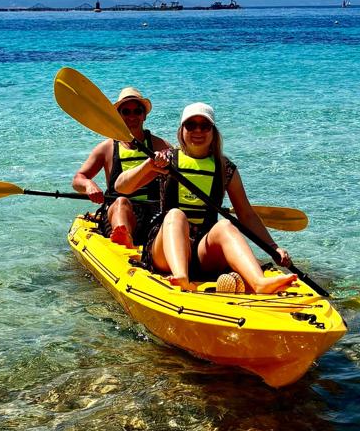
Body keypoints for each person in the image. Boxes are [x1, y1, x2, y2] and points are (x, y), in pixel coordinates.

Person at [116, 102, 298, 294]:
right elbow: (121, 187)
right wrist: (147, 166)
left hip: (203, 252)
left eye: (204, 126)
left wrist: (273, 247)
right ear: (182, 130)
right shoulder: (166, 160)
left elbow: (246, 214)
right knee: (176, 214)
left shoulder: (225, 168)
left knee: (225, 225)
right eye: (191, 125)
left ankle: (258, 282)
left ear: (213, 131)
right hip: (164, 251)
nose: (198, 131)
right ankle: (181, 276)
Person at [72, 87, 169, 247]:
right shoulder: (107, 148)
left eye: (137, 111)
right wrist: (88, 185)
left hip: (152, 214)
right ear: (118, 116)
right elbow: (78, 179)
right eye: (126, 112)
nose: (132, 116)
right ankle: (123, 237)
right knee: (121, 202)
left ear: (144, 115)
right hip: (118, 212)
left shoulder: (160, 145)